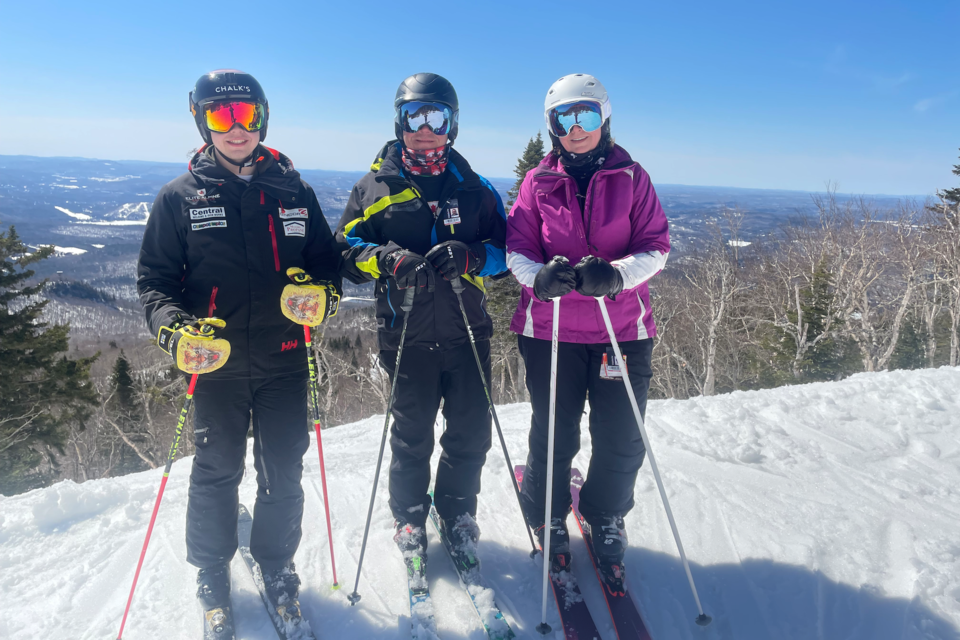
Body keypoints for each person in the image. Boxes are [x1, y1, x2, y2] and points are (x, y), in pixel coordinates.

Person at [137, 69, 342, 629]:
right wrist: (174, 330)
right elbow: (155, 282)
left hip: (283, 360)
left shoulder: (292, 191)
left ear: (262, 117)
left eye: (245, 114)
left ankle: (277, 565)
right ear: (202, 120)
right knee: (216, 469)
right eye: (221, 115)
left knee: (282, 469)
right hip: (216, 364)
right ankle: (211, 567)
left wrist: (324, 294)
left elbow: (327, 262)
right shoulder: (179, 198)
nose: (235, 128)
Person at [506, 74, 670, 596]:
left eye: (587, 116)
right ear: (551, 126)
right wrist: (540, 278)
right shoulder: (537, 183)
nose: (576, 129)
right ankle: (548, 512)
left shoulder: (631, 177)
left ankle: (604, 515)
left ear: (605, 119)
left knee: (623, 437)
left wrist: (617, 275)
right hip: (551, 330)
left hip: (619, 330)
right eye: (564, 118)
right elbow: (517, 251)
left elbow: (656, 245)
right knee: (554, 432)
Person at [335, 73, 507, 571]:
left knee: (471, 433)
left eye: (437, 116)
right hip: (405, 333)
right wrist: (386, 259)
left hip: (467, 331)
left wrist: (473, 256)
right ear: (399, 121)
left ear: (452, 124)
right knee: (412, 435)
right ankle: (410, 516)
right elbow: (344, 253)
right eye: (414, 116)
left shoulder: (476, 188)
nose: (425, 128)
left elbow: (507, 252)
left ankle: (456, 513)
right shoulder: (373, 187)